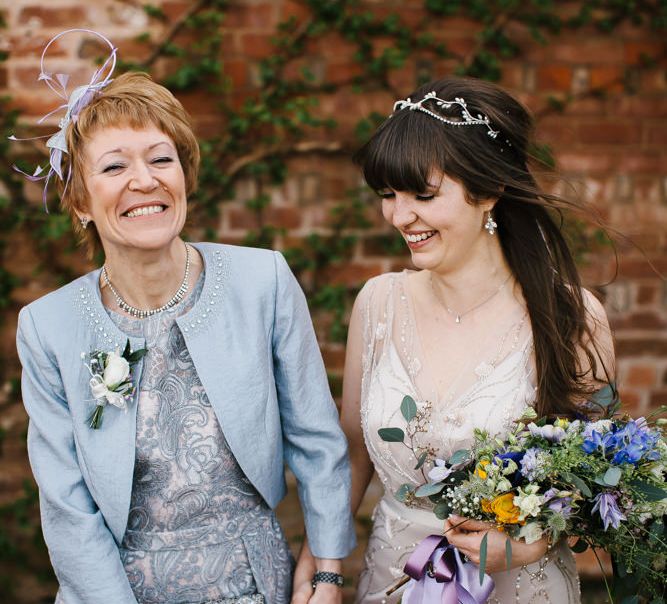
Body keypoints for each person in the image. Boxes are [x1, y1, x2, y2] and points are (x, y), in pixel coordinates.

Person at [14, 30, 354, 604]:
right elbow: (67, 506)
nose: (143, 181)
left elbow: (317, 440)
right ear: (79, 201)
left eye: (161, 159)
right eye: (114, 166)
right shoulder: (48, 327)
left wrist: (327, 571)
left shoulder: (263, 281)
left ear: (184, 175)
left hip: (254, 580)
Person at [340, 78, 615, 602]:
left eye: (423, 195)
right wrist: (324, 568)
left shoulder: (571, 316)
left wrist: (534, 544)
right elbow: (353, 455)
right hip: (395, 578)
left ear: (488, 191)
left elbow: (597, 484)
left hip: (520, 586)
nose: (400, 217)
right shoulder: (377, 303)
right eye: (388, 196)